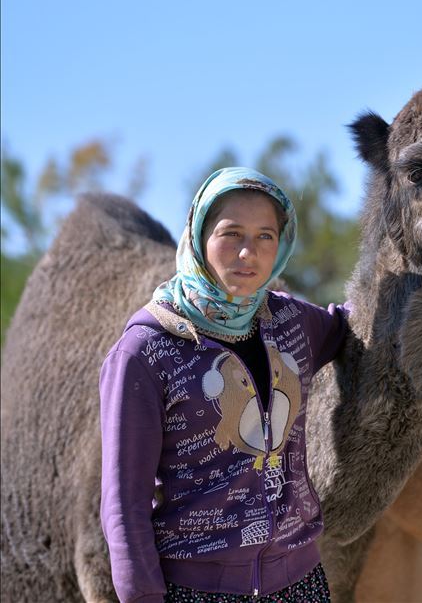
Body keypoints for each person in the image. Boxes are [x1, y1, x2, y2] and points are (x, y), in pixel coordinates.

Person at [99, 167, 347, 602]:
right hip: (198, 589)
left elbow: (361, 321)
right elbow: (124, 507)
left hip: (301, 583)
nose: (248, 253)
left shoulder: (293, 323)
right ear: (198, 236)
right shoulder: (145, 352)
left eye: (265, 236)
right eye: (231, 234)